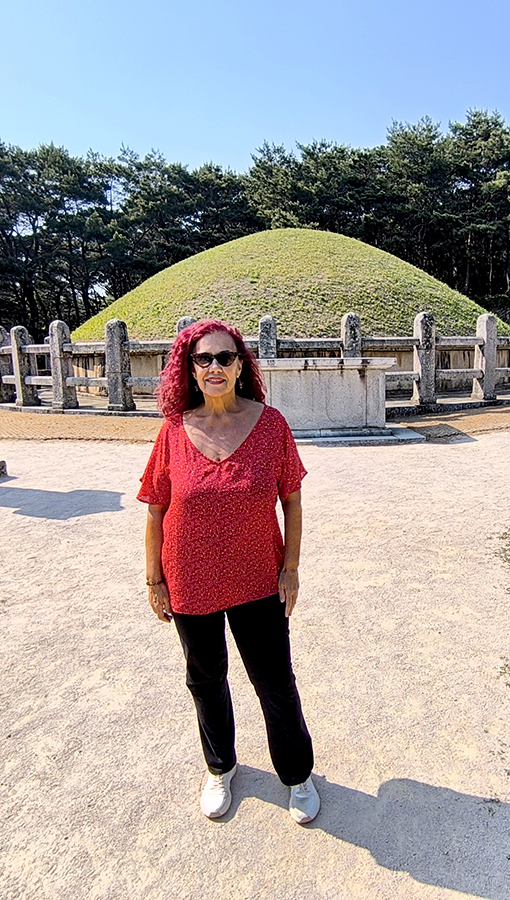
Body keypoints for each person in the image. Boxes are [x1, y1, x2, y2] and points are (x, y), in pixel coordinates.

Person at [138, 319, 319, 824]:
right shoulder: (174, 430)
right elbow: (155, 509)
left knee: (275, 680)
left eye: (224, 357)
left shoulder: (271, 425)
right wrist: (154, 579)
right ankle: (220, 766)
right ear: (190, 369)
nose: (214, 366)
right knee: (205, 679)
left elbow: (292, 499)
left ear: (241, 365)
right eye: (203, 358)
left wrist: (291, 568)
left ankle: (296, 773)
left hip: (259, 577)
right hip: (190, 579)